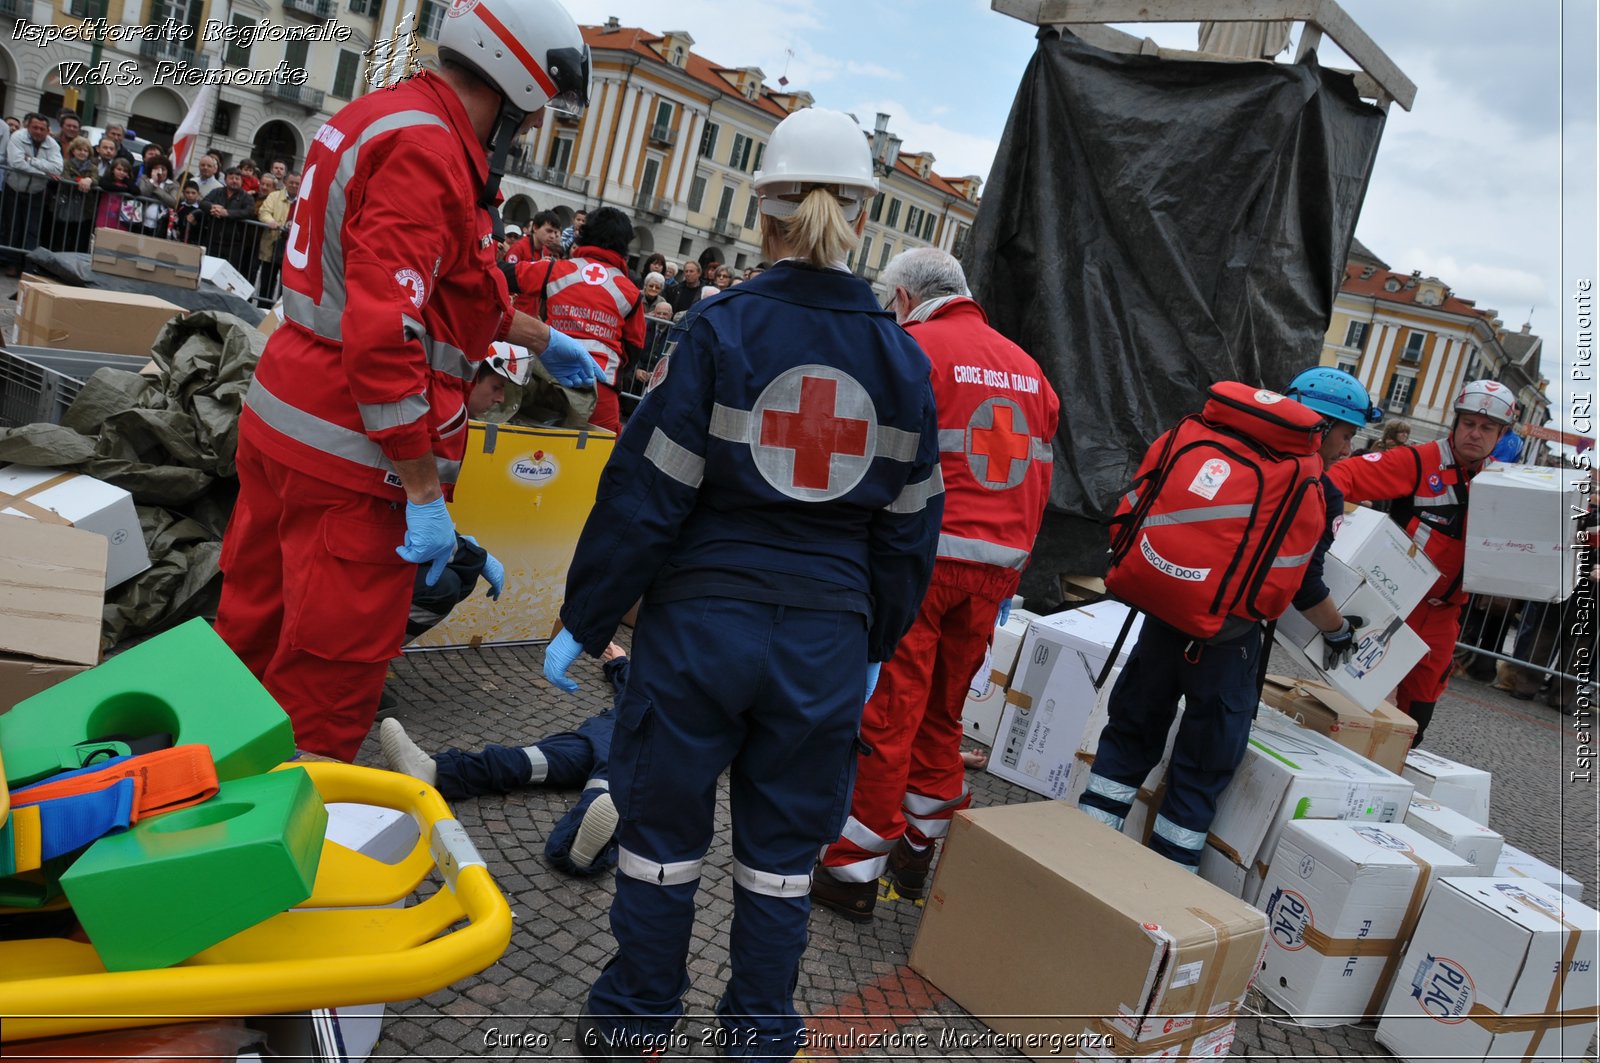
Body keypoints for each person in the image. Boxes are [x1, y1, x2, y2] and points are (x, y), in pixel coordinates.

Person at [542, 106, 943, 1061]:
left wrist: (585, 615)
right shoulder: (902, 359)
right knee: (780, 862)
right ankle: (759, 1034)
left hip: (700, 629)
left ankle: (638, 1015)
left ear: (764, 211)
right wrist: (875, 641)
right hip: (826, 641)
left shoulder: (719, 329)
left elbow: (647, 494)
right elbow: (910, 530)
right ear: (863, 216)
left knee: (661, 837)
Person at [214, 0, 596, 763]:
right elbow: (389, 330)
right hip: (354, 461)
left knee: (246, 642)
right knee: (325, 686)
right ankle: (278, 863)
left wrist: (542, 336)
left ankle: (199, 805)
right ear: (513, 84)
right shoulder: (429, 151)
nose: (526, 129)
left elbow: (443, 287)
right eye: (532, 111)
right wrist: (424, 493)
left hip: (291, 414)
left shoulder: (384, 116)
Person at [812, 248, 1059, 920]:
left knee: (889, 710)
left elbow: (869, 453)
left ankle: (852, 867)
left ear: (901, 294)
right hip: (996, 570)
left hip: (920, 559)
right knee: (944, 713)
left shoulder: (911, 346)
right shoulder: (1031, 372)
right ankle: (922, 846)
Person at [1078, 378, 1350, 871]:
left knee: (1129, 735)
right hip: (1226, 643)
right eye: (1346, 434)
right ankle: (1164, 884)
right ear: (1322, 426)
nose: (1348, 447)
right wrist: (1338, 631)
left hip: (1162, 615)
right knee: (1202, 767)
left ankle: (1085, 852)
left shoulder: (1209, 433)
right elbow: (1304, 583)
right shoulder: (1316, 487)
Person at [1326, 379, 1519, 747]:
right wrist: (1335, 519)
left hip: (1444, 615)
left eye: (1487, 428)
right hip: (1394, 605)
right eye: (1468, 424)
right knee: (1349, 705)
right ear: (1455, 424)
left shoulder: (1502, 482)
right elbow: (1342, 476)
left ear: (1502, 434)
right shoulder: (1419, 460)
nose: (1475, 434)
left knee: (1416, 722)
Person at [379, 641, 631, 876]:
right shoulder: (658, 677)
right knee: (528, 760)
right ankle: (434, 771)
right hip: (606, 733)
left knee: (607, 787)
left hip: (644, 749)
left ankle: (580, 848)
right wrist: (619, 662)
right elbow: (633, 684)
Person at [507, 206, 644, 434]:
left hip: (547, 383)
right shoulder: (631, 293)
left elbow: (501, 275)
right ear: (625, 244)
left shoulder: (555, 270)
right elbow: (634, 349)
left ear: (583, 233)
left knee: (530, 455)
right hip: (600, 392)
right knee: (596, 463)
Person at [3, 113, 63, 275]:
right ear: (28, 127)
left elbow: (57, 168)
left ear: (47, 130)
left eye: (42, 129)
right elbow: (16, 162)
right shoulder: (17, 137)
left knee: (32, 231)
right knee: (13, 228)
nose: (38, 131)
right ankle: (12, 264)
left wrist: (31, 160)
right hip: (14, 187)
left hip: (36, 192)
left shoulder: (52, 144)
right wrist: (44, 172)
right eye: (35, 127)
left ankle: (29, 266)